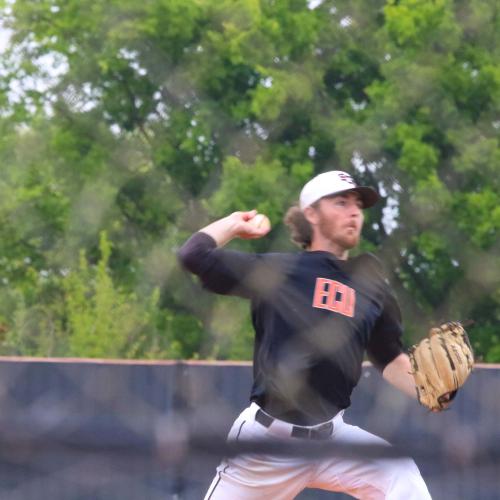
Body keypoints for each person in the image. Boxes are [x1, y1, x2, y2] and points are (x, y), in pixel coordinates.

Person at [178, 170, 432, 499]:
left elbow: (389, 358)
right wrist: (233, 224)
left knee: (401, 473)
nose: (354, 211)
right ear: (311, 213)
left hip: (332, 438)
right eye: (340, 202)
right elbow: (193, 256)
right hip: (267, 444)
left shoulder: (371, 290)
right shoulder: (279, 272)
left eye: (357, 204)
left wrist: (431, 390)